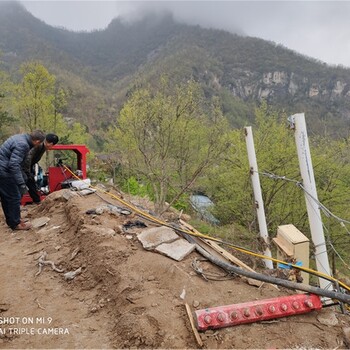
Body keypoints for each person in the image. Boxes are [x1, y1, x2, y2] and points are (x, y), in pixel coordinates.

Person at [0, 130, 45, 230]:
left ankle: (13, 220)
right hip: (4, 171)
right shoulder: (23, 145)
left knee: (7, 197)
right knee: (14, 197)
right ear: (37, 141)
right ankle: (16, 223)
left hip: (3, 168)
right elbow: (14, 164)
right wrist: (21, 183)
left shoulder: (21, 138)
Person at [23, 133, 59, 203]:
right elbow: (28, 157)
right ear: (51, 144)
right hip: (23, 166)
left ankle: (37, 201)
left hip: (28, 166)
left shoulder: (43, 146)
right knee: (23, 182)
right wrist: (27, 171)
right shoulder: (39, 145)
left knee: (31, 183)